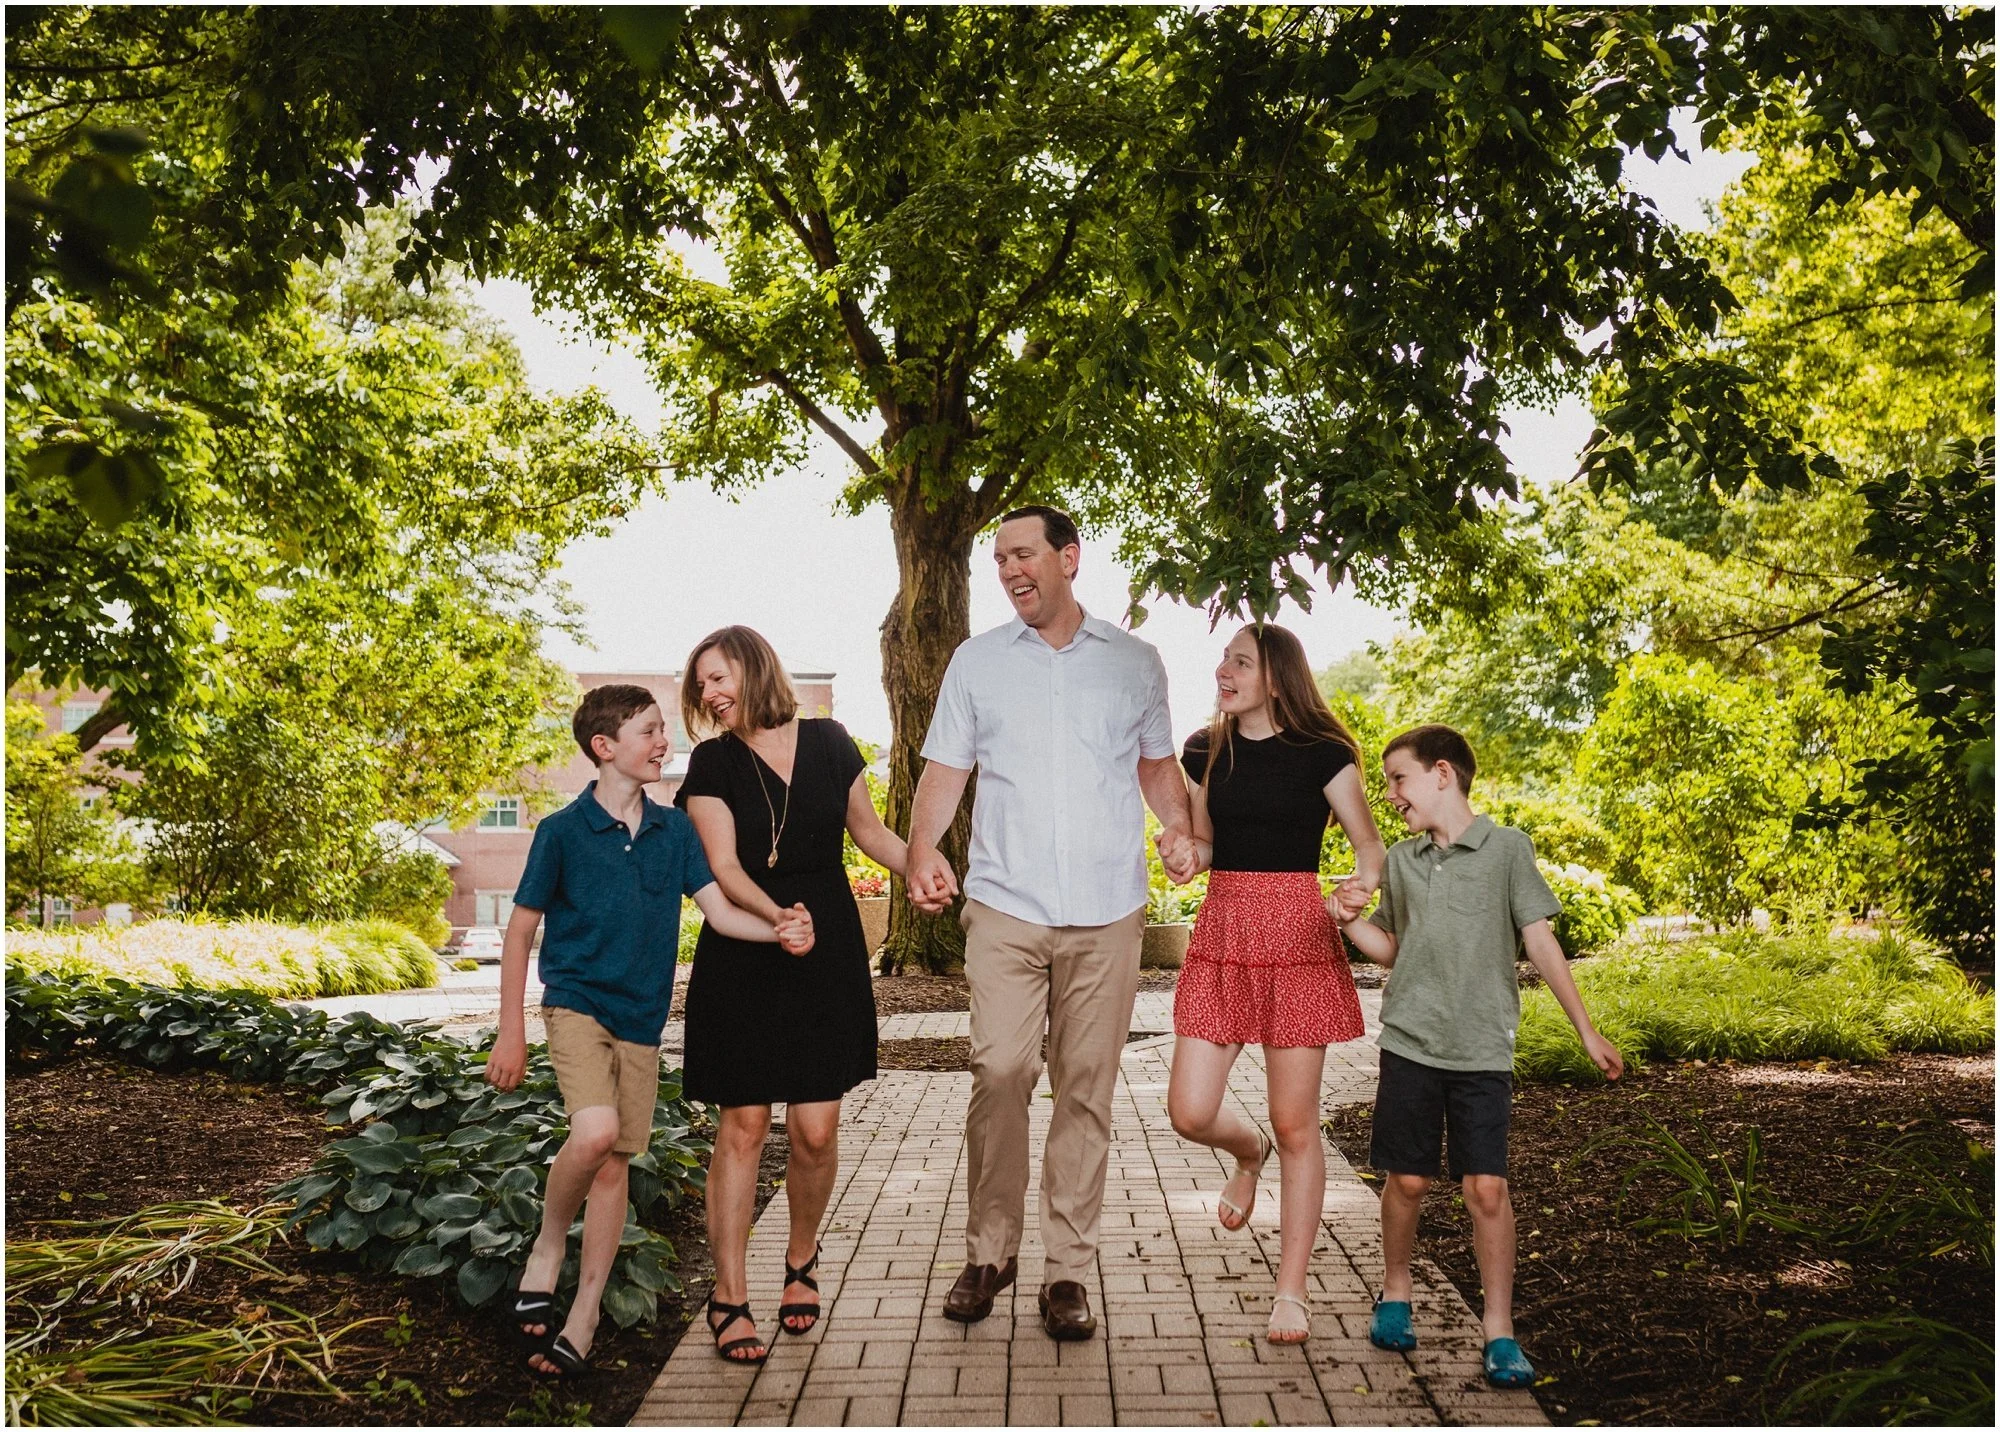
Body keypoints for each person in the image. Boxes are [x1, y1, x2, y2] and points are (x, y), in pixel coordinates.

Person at [906, 504, 1198, 1342]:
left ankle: (1067, 1270)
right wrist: (922, 850)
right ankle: (989, 1251)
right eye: (999, 559)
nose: (1008, 570)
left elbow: (1157, 766)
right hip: (1006, 904)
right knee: (1000, 1069)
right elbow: (944, 770)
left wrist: (1179, 827)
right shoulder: (977, 662)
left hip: (1109, 911)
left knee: (1085, 1089)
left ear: (1069, 559)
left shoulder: (1135, 662)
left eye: (1022, 554)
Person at [486, 684, 813, 1380]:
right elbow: (519, 934)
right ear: (604, 747)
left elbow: (720, 913)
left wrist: (779, 931)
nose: (664, 743)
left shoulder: (674, 831)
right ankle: (549, 1244)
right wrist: (510, 1032)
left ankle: (585, 1315)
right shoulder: (561, 832)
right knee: (595, 1134)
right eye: (649, 731)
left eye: (664, 730)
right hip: (576, 1004)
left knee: (613, 1167)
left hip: (641, 1020)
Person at [1336, 723, 1623, 1388]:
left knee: (1486, 1188)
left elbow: (1540, 942)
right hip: (1410, 1041)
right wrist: (1346, 918)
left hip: (1483, 1048)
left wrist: (1585, 1030)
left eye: (1399, 779)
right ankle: (1396, 1292)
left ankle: (1499, 1330)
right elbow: (1392, 948)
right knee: (1408, 1181)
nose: (1391, 795)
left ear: (1442, 773)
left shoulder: (1508, 850)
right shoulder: (1402, 861)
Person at [675, 625, 908, 1364]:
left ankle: (801, 1260)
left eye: (719, 677)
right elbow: (723, 865)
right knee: (743, 1125)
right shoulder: (711, 763)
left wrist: (923, 866)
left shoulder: (831, 742)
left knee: (814, 1130)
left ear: (754, 668)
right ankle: (729, 1294)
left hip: (825, 947)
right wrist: (777, 918)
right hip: (747, 945)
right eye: (701, 686)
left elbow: (870, 832)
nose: (711, 694)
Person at [1165, 623, 1386, 1345]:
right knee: (1189, 1111)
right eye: (1222, 659)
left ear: (1277, 677)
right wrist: (1185, 855)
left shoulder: (1324, 752)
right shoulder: (1205, 749)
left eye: (1240, 661)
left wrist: (1361, 888)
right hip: (1224, 931)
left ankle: (1291, 1289)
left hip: (1298, 935)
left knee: (1297, 1125)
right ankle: (1244, 1153)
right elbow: (1205, 843)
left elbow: (1369, 843)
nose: (1223, 671)